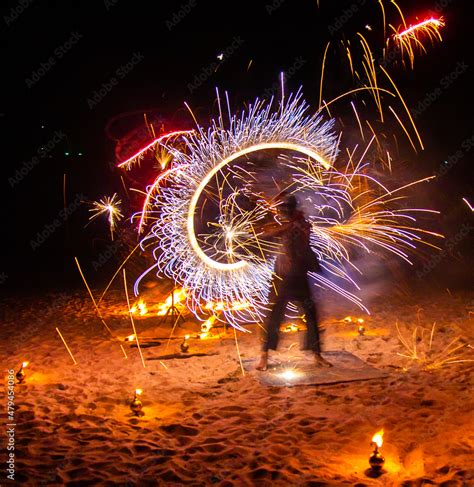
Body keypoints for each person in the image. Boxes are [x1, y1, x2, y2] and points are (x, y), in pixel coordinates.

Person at [256, 193, 331, 370]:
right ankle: (264, 355)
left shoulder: (299, 224)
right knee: (276, 315)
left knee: (309, 314)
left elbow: (287, 233)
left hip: (296, 277)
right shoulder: (290, 223)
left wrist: (269, 230)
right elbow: (271, 234)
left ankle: (316, 355)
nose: (282, 213)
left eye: (284, 210)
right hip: (284, 276)